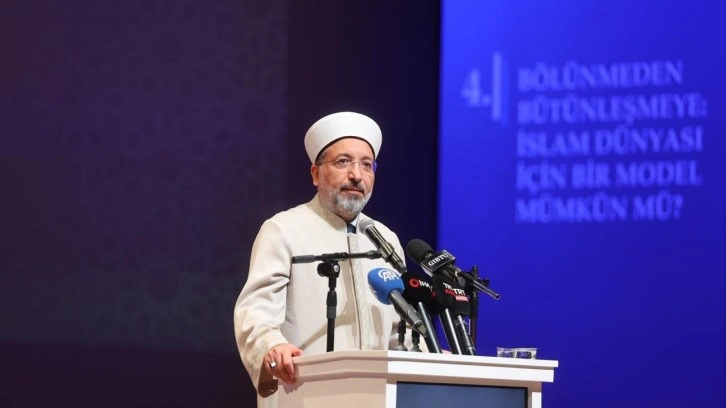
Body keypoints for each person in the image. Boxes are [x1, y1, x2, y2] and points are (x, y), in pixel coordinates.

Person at [233, 111, 407, 407]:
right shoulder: (283, 230)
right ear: (316, 174)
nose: (356, 175)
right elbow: (256, 312)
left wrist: (426, 356)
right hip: (302, 394)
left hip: (377, 398)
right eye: (343, 162)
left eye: (366, 164)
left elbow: (399, 331)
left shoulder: (385, 240)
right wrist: (273, 347)